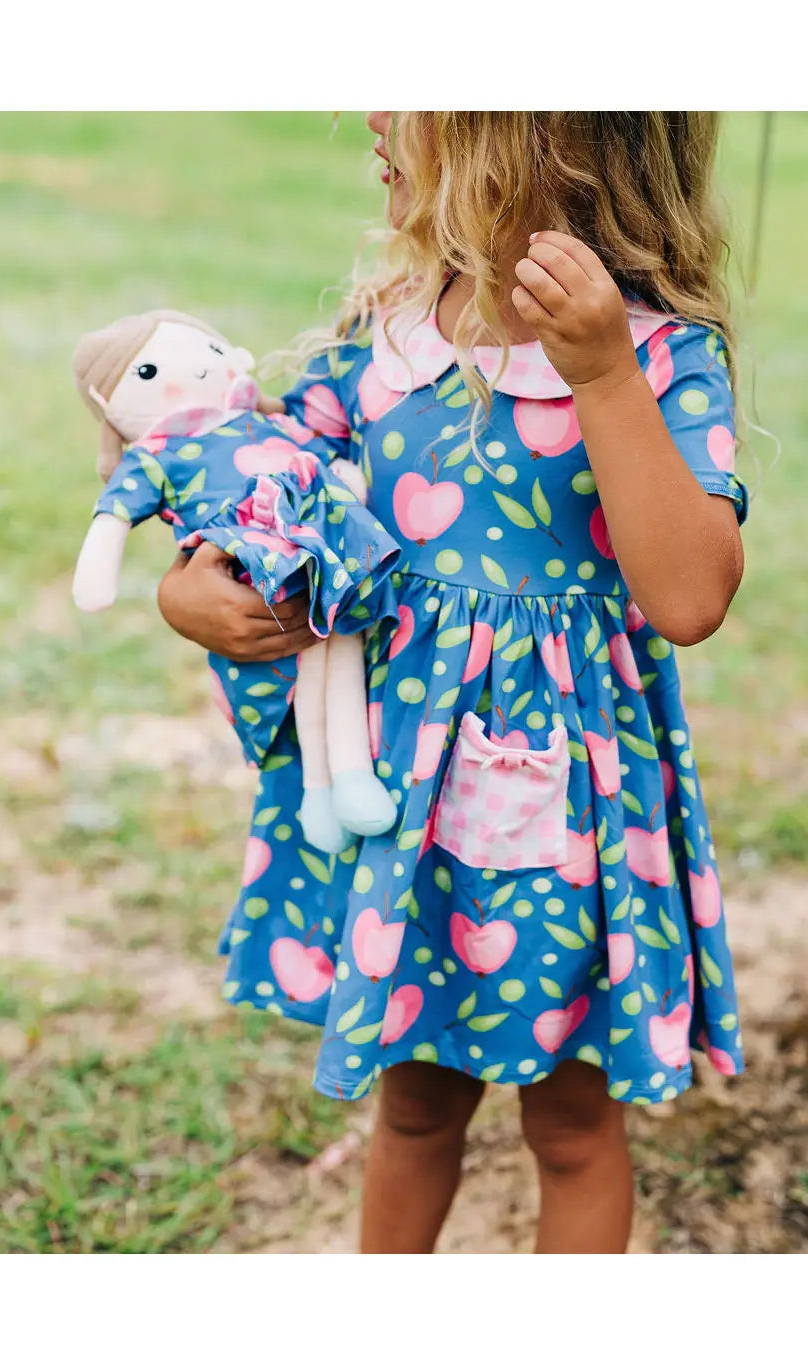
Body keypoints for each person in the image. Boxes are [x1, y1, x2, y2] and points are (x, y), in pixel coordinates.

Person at [158, 111, 748, 1254]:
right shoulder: (386, 336)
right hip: (405, 806)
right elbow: (270, 475)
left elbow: (687, 599)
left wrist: (600, 378)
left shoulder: (659, 357)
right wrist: (192, 580)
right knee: (415, 1103)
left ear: (550, 137)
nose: (377, 113)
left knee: (573, 1123)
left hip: (561, 822)